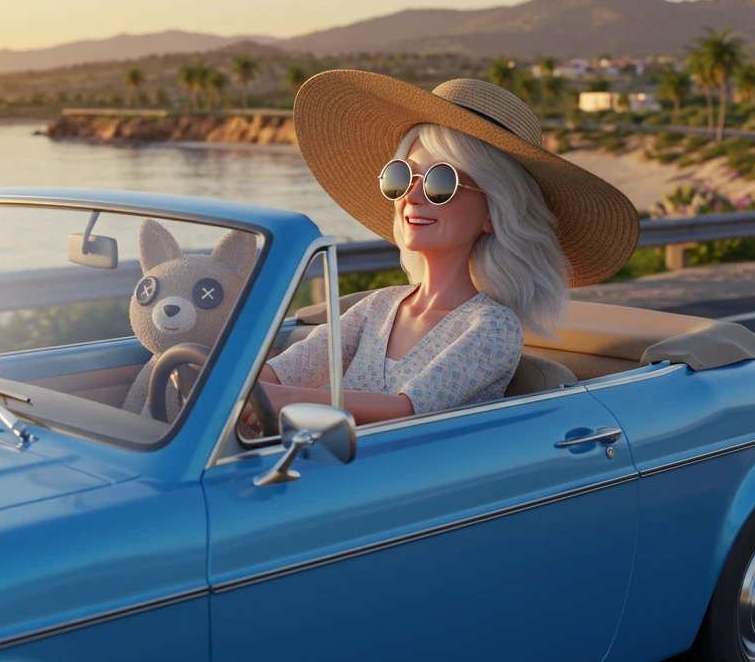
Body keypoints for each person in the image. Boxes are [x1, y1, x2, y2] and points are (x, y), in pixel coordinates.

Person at [255, 71, 639, 426]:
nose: (411, 197)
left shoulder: (492, 327)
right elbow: (283, 371)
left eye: (441, 183)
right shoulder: (378, 307)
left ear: (494, 213)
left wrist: (281, 399)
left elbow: (411, 409)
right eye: (402, 176)